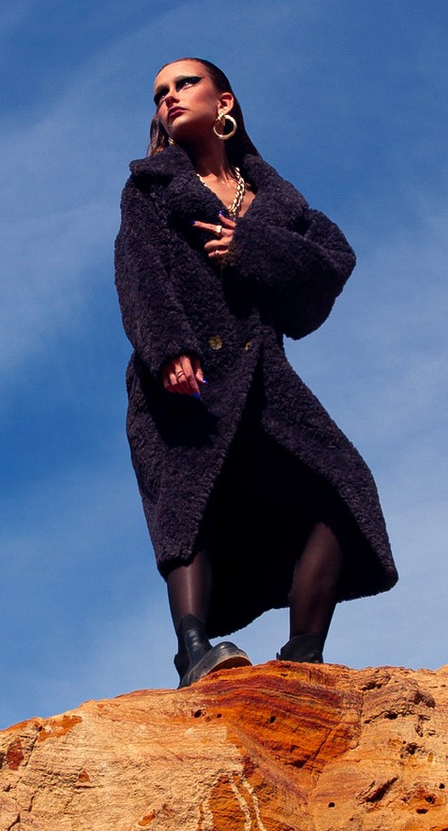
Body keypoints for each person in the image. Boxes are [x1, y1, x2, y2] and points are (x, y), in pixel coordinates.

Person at [114, 58, 397, 684]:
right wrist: (167, 351)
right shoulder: (149, 191)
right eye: (159, 93)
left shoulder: (278, 203)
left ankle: (304, 659)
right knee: (191, 505)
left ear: (225, 102)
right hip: (179, 381)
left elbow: (331, 266)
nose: (169, 97)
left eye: (184, 84)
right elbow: (139, 278)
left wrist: (254, 249)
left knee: (342, 487)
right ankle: (194, 653)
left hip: (264, 379)